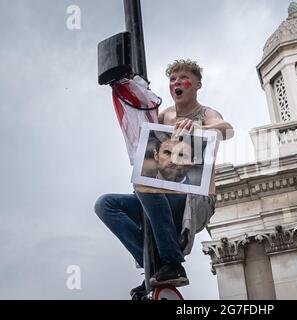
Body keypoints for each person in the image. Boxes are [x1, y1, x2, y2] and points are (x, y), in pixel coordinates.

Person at [94, 59, 234, 298]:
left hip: (193, 198)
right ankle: (152, 266)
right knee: (106, 204)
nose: (177, 82)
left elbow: (227, 129)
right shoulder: (164, 115)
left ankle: (172, 262)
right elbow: (148, 147)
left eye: (183, 78)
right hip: (158, 196)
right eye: (172, 79)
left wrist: (198, 128)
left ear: (197, 84)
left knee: (145, 186)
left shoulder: (206, 113)